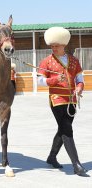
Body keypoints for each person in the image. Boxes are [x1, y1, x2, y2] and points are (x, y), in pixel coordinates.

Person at [37, 27, 88, 176]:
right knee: (67, 129)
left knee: (62, 129)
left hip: (72, 100)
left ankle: (52, 157)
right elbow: (39, 81)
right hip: (57, 99)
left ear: (63, 45)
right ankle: (76, 165)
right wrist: (54, 80)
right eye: (52, 46)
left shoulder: (74, 61)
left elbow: (80, 79)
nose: (53, 48)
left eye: (56, 46)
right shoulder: (46, 61)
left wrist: (79, 88)